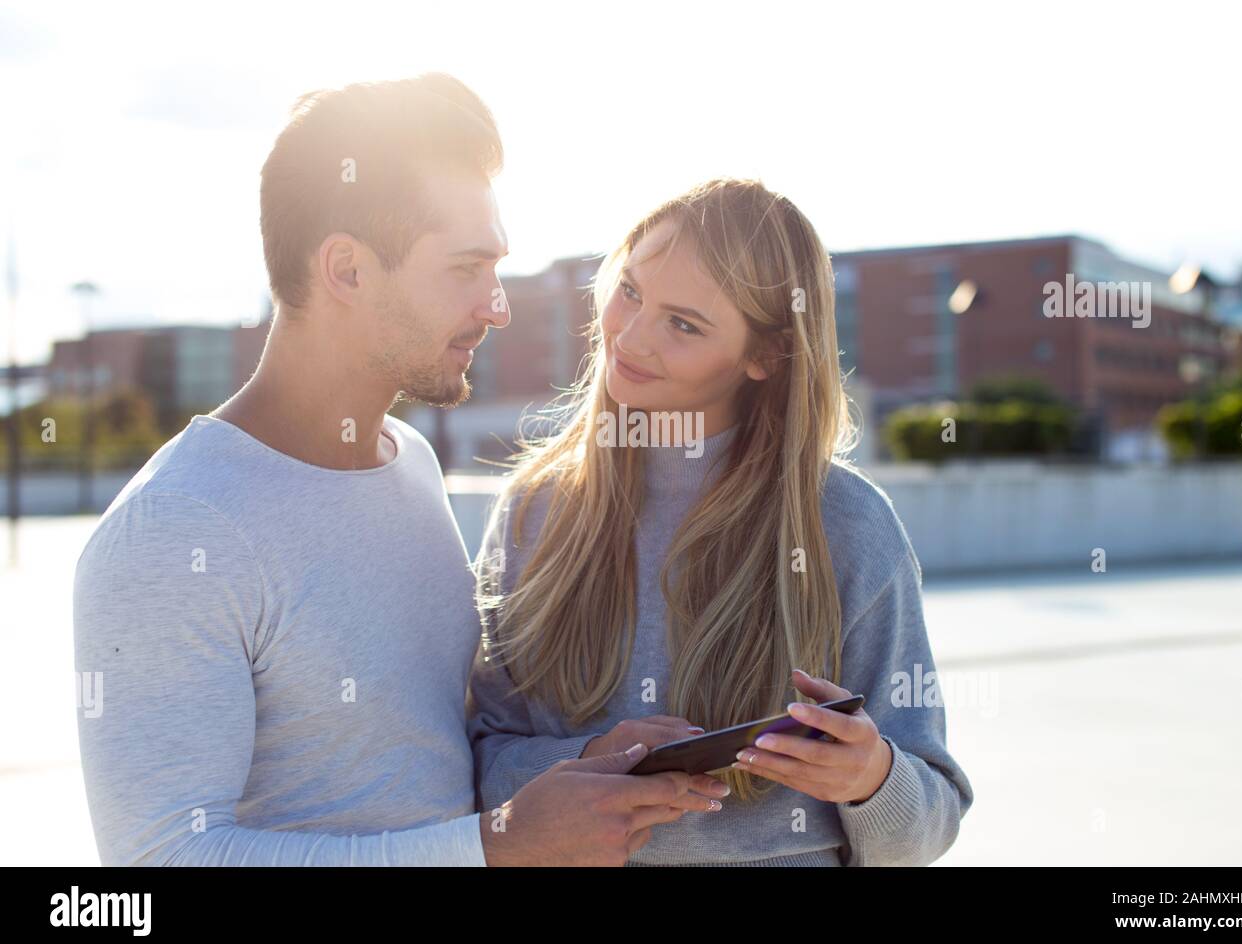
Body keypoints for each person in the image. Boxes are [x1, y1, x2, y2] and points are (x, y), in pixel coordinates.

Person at [72, 73, 728, 867]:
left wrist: (577, 767)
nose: (497, 306)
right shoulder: (175, 532)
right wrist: (496, 847)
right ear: (346, 270)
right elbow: (161, 865)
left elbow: (420, 759)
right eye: (464, 269)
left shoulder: (406, 463)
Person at [468, 178, 974, 865]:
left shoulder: (847, 524)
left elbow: (930, 822)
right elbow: (478, 758)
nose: (631, 335)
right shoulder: (536, 509)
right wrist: (587, 760)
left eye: (684, 324)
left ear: (764, 356)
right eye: (631, 291)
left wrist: (871, 777)